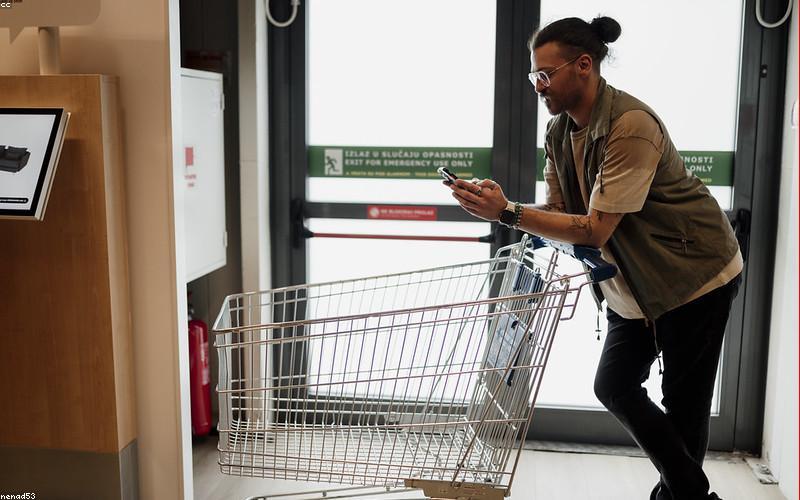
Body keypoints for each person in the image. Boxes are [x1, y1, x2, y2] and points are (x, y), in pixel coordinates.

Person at [448, 16, 743, 500]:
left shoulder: (631, 126)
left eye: (545, 74)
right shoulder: (559, 132)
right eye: (534, 76)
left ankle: (682, 495)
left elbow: (595, 227)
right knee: (614, 384)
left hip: (694, 278)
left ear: (584, 66)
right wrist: (501, 206)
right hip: (632, 285)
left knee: (684, 407)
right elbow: (563, 213)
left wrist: (510, 213)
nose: (538, 85)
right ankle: (690, 493)